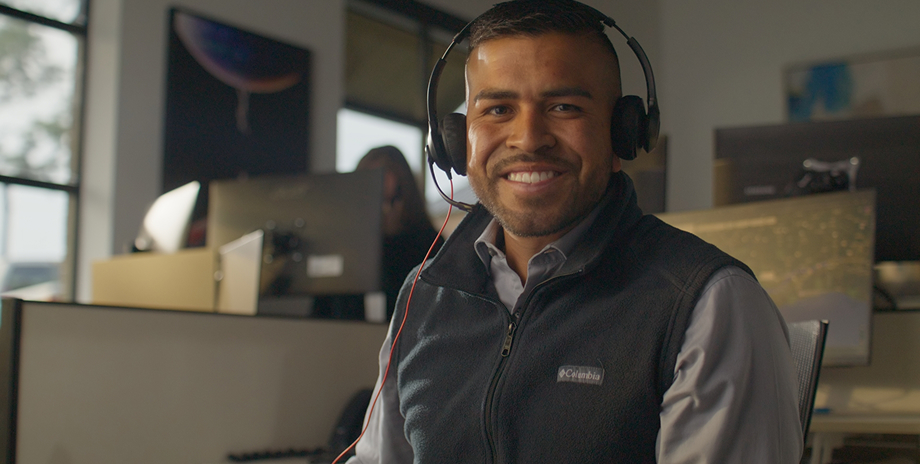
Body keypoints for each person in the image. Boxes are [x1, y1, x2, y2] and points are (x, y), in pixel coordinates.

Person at [348, 1, 802, 462]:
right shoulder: (424, 295)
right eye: (499, 109)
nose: (528, 138)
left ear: (623, 133)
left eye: (564, 106)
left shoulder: (708, 303)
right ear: (455, 140)